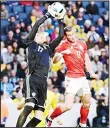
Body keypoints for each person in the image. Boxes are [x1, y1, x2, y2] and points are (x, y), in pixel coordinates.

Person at [16, 7, 64, 127]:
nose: (43, 36)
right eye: (40, 35)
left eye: (44, 36)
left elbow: (61, 36)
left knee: (38, 118)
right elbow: (37, 24)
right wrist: (47, 15)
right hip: (33, 78)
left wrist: (61, 20)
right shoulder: (31, 43)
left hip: (43, 82)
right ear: (35, 37)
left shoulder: (48, 48)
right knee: (29, 106)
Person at [46, 26, 98, 127]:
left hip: (82, 77)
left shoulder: (82, 43)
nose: (72, 37)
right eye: (69, 35)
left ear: (75, 32)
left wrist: (91, 72)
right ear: (66, 36)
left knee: (87, 103)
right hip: (71, 78)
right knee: (68, 106)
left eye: (73, 34)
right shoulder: (63, 45)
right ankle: (50, 118)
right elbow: (54, 61)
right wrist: (62, 53)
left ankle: (82, 125)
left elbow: (86, 60)